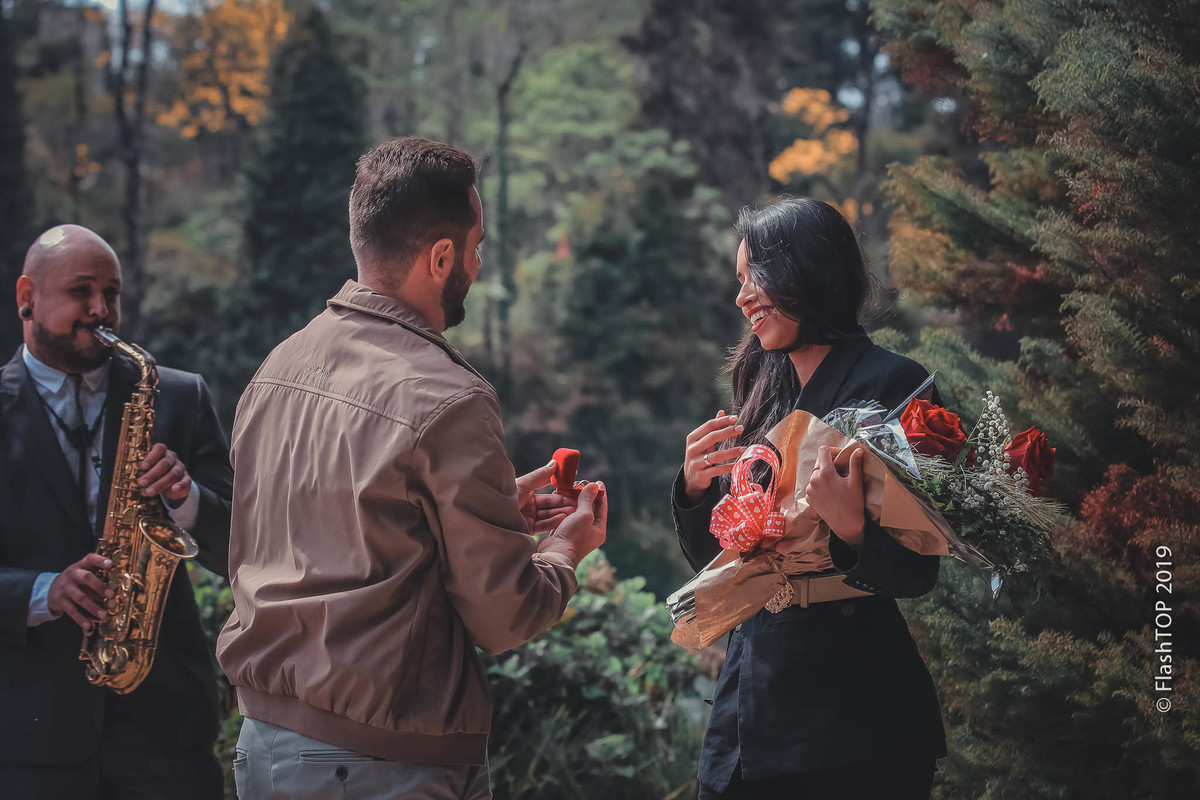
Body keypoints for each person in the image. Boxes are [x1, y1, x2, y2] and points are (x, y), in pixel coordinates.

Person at [216, 136, 608, 800]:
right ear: (442, 256)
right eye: (477, 248)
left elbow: (338, 525)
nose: (478, 267)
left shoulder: (277, 368)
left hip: (263, 744)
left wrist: (493, 510)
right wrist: (567, 547)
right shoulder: (447, 396)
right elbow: (504, 614)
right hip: (381, 763)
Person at [673, 198, 947, 799]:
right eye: (740, 281)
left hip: (856, 721)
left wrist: (854, 534)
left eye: (758, 278)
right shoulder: (761, 392)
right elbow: (723, 566)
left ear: (809, 270)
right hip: (748, 709)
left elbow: (919, 572)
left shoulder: (893, 385)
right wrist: (695, 491)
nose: (744, 297)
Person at [0, 224, 234, 799]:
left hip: (165, 735)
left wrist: (187, 499)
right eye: (83, 291)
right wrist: (43, 592)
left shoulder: (178, 396)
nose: (102, 309)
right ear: (26, 296)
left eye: (113, 293)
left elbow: (243, 548)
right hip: (30, 739)